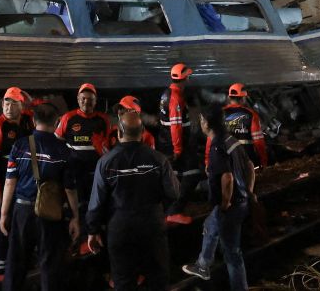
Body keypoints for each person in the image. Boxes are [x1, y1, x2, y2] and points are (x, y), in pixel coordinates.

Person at [87, 103, 179, 291]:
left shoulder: (106, 162)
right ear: (142, 131)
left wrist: (92, 229)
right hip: (152, 226)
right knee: (158, 281)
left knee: (123, 282)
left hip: (120, 229)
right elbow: (174, 193)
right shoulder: (159, 160)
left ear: (119, 134)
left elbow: (96, 202)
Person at [0, 101, 80, 291]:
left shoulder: (19, 146)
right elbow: (69, 189)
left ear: (34, 121)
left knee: (16, 262)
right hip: (50, 213)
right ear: (57, 122)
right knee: (50, 264)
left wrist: (4, 214)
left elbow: (10, 182)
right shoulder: (64, 151)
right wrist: (76, 217)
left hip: (22, 212)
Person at [181, 105, 256, 290]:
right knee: (226, 244)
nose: (200, 123)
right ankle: (231, 282)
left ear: (206, 123)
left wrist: (225, 202)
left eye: (201, 120)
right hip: (242, 201)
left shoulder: (217, 146)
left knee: (218, 234)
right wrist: (250, 191)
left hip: (230, 205)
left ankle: (204, 266)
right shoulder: (232, 140)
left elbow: (227, 177)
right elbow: (250, 165)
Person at [0, 87, 32, 283]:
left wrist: (27, 97)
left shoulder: (28, 119)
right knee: (2, 226)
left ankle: (19, 264)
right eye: (6, 102)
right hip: (3, 186)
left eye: (13, 103)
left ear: (21, 106)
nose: (9, 107)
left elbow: (39, 107)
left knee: (20, 224)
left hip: (24, 184)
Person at [54, 82, 111, 250]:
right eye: (83, 99)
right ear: (78, 99)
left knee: (95, 204)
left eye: (90, 100)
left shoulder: (103, 120)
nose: (87, 102)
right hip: (74, 172)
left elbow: (108, 146)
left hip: (96, 172)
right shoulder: (68, 118)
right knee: (77, 206)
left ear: (96, 101)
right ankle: (81, 238)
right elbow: (57, 143)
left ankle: (94, 237)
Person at [159, 63, 201, 225]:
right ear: (184, 79)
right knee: (192, 173)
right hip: (175, 143)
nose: (189, 78)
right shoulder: (175, 97)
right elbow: (176, 126)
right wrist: (178, 149)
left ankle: (170, 210)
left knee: (175, 176)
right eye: (188, 76)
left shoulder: (166, 93)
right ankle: (174, 211)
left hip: (167, 141)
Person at [223, 83, 268, 168]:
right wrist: (263, 160)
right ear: (243, 98)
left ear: (229, 97)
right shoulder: (251, 114)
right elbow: (258, 140)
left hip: (226, 159)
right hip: (247, 158)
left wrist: (208, 161)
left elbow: (211, 139)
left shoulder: (220, 114)